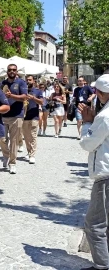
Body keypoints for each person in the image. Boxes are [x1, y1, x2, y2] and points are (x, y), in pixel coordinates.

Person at [78, 74, 109, 270]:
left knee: (95, 224)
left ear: (98, 92)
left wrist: (88, 122)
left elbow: (89, 144)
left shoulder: (105, 116)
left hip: (106, 173)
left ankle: (102, 266)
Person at [0, 64, 28, 174]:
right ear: (7, 72)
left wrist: (12, 96)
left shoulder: (21, 82)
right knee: (1, 139)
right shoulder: (2, 83)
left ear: (17, 71)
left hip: (16, 115)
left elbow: (24, 97)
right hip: (3, 115)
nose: (12, 71)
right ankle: (6, 155)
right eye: (10, 70)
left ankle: (12, 163)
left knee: (14, 141)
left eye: (14, 70)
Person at [22, 75, 43, 164]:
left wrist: (33, 98)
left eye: (30, 80)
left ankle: (32, 155)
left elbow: (42, 102)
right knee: (26, 137)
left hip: (34, 116)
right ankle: (29, 151)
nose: (28, 81)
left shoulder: (37, 91)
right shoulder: (23, 91)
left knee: (33, 136)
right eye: (27, 80)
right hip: (24, 117)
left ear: (33, 81)